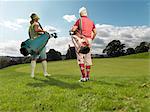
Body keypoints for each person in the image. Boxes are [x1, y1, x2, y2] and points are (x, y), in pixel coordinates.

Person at [71, 7, 97, 82]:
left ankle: (83, 77)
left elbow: (73, 30)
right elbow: (95, 32)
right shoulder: (91, 22)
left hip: (81, 40)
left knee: (80, 57)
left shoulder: (79, 20)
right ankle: (88, 76)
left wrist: (73, 29)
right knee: (88, 58)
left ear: (80, 14)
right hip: (89, 40)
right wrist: (91, 39)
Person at [28, 13, 50, 78]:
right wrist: (44, 31)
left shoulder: (30, 26)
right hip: (39, 43)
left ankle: (32, 74)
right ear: (35, 18)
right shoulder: (36, 24)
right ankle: (45, 73)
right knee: (43, 58)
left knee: (33, 59)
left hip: (33, 44)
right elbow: (36, 30)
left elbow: (30, 35)